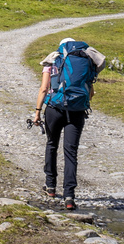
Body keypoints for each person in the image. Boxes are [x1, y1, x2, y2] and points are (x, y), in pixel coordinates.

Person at [33, 39, 106, 211]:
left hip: (54, 109)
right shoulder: (86, 60)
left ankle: (50, 187)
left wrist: (37, 111)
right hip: (77, 111)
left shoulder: (53, 59)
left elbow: (44, 89)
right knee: (71, 152)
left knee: (52, 144)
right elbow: (91, 92)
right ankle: (69, 196)